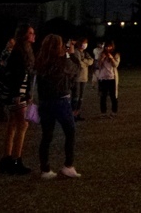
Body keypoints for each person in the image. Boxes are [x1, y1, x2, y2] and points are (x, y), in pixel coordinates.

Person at [34, 34, 80, 179]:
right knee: (70, 132)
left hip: (45, 102)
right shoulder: (61, 61)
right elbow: (76, 69)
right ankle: (68, 165)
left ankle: (45, 169)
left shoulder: (40, 60)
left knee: (46, 136)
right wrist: (71, 54)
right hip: (60, 101)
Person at [0, 24, 36, 174]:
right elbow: (17, 75)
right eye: (30, 33)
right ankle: (16, 160)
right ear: (23, 35)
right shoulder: (19, 53)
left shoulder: (23, 51)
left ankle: (7, 159)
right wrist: (18, 94)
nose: (33, 35)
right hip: (17, 93)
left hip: (18, 92)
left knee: (13, 125)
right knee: (22, 125)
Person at [71, 38, 93, 121]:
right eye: (83, 43)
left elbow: (91, 61)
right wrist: (85, 62)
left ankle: (78, 113)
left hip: (84, 77)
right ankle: (73, 114)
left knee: (81, 97)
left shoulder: (85, 53)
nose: (84, 44)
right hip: (77, 77)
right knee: (75, 97)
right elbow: (79, 63)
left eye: (86, 43)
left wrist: (84, 61)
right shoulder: (76, 52)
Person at [96, 41, 120, 116]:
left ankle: (114, 111)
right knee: (103, 96)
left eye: (109, 47)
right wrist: (102, 59)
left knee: (113, 96)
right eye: (106, 47)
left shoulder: (116, 54)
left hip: (112, 78)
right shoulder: (101, 54)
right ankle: (103, 112)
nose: (108, 48)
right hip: (103, 78)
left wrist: (111, 58)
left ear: (112, 47)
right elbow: (98, 66)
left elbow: (116, 65)